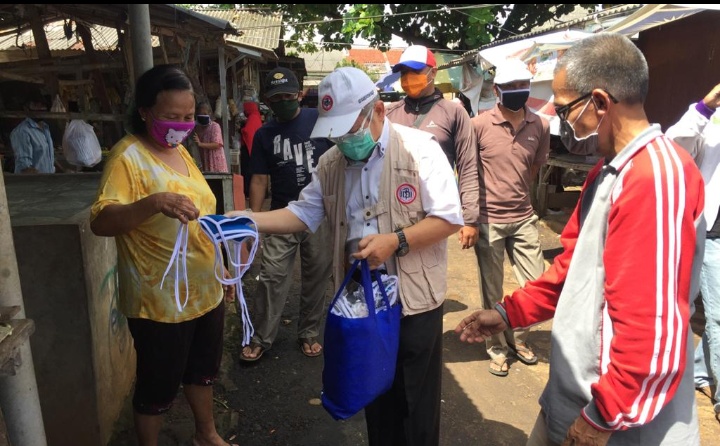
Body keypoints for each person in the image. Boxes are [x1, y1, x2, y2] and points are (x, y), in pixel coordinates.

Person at [455, 33, 704, 445]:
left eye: (567, 108)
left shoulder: (655, 178)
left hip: (622, 421)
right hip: (577, 397)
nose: (564, 120)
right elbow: (572, 270)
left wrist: (603, 416)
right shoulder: (607, 174)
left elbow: (651, 323)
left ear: (601, 102)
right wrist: (508, 313)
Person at [227, 66, 463, 445]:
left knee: (414, 404)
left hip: (411, 301)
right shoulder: (331, 163)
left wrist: (396, 241)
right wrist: (251, 220)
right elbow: (303, 213)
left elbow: (449, 218)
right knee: (374, 393)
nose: (343, 141)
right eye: (335, 133)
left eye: (350, 130)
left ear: (379, 112)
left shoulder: (420, 150)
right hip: (361, 303)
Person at [89, 64, 235, 446]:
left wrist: (225, 265)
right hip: (160, 300)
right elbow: (102, 221)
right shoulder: (127, 158)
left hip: (205, 289)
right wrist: (153, 202)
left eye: (189, 117)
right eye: (172, 116)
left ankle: (207, 434)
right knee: (158, 384)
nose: (182, 125)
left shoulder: (181, 152)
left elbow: (204, 214)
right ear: (144, 111)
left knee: (202, 371)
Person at [239, 67, 334, 362]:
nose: (283, 101)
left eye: (288, 96)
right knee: (271, 277)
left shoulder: (319, 121)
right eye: (276, 97)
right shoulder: (264, 134)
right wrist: (253, 221)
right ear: (267, 100)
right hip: (282, 214)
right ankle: (261, 337)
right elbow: (258, 179)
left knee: (317, 275)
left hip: (320, 215)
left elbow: (340, 164)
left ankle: (308, 332)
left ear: (300, 95)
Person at [470, 58, 550, 376]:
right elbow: (468, 172)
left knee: (534, 285)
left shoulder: (540, 125)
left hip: (524, 216)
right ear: (497, 89)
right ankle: (498, 348)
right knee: (493, 288)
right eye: (512, 87)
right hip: (489, 220)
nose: (519, 92)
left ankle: (519, 339)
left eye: (523, 86)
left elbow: (533, 169)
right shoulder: (478, 126)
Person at [385, 44, 480, 252]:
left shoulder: (454, 113)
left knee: (427, 274)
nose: (408, 77)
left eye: (415, 71)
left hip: (435, 215)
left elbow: (467, 167)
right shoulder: (390, 114)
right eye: (404, 72)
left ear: (433, 72)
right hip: (393, 208)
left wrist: (470, 219)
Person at [666, 82, 720, 425]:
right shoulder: (709, 122)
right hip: (709, 233)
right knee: (713, 314)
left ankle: (699, 371)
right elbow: (675, 144)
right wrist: (705, 107)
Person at [10, 97, 56, 174]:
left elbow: (47, 158)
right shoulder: (22, 131)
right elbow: (24, 167)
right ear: (26, 108)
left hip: (48, 182)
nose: (40, 108)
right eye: (35, 105)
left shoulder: (45, 128)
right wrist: (42, 180)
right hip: (33, 183)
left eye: (42, 105)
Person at [193, 101, 228, 173]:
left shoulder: (215, 126)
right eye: (201, 114)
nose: (203, 116)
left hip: (216, 163)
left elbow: (217, 144)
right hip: (205, 162)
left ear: (209, 114)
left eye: (205, 114)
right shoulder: (197, 128)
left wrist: (200, 144)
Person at [239, 100, 262, 195]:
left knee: (247, 171)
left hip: (249, 149)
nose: (244, 111)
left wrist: (242, 130)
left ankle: (248, 192)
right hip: (253, 148)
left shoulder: (252, 117)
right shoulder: (256, 116)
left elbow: (248, 132)